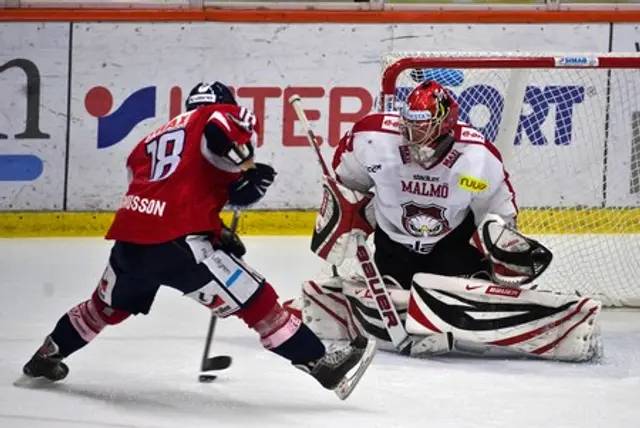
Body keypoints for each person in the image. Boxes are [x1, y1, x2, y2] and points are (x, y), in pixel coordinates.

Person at [21, 81, 376, 399]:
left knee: (104, 308)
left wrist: (213, 228)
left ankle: (46, 355)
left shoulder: (150, 140)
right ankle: (322, 365)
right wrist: (246, 167)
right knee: (260, 303)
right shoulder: (216, 114)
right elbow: (221, 129)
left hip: (132, 240)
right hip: (180, 245)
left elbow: (164, 189)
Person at [286, 80, 602, 362]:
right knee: (399, 291)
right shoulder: (373, 139)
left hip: (451, 248)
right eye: (408, 126)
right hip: (393, 247)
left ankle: (481, 295)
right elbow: (347, 186)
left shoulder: (475, 160)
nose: (411, 136)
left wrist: (502, 250)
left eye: (422, 128)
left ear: (445, 126)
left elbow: (498, 216)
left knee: (462, 285)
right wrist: (347, 214)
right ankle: (400, 292)